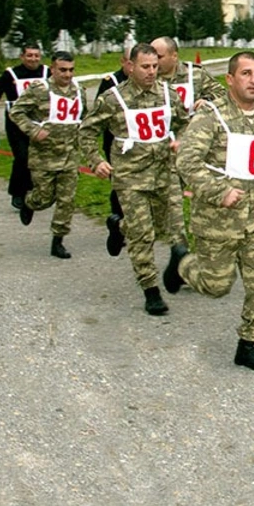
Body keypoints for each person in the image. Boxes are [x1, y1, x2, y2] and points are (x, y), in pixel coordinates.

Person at [166, 52, 254, 370]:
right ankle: (181, 264)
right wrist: (219, 191)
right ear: (229, 79)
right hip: (216, 220)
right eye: (246, 73)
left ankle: (248, 344)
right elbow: (187, 161)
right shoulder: (211, 116)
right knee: (216, 286)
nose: (253, 80)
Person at [79, 43, 189, 315]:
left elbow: (185, 123)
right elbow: (86, 131)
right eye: (145, 67)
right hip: (131, 177)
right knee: (142, 234)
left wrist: (182, 140)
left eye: (155, 66)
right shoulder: (113, 98)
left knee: (171, 228)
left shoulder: (168, 94)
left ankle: (125, 230)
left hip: (165, 173)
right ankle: (151, 290)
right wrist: (96, 161)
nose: (151, 72)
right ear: (130, 67)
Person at [8, 51, 87, 259]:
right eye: (63, 70)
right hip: (44, 156)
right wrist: (33, 130)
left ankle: (58, 240)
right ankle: (29, 203)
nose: (67, 75)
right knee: (44, 198)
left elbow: (85, 117)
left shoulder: (79, 90)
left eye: (71, 70)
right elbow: (16, 112)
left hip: (70, 155)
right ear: (52, 69)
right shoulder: (39, 90)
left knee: (66, 200)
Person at [0, 44, 49, 209]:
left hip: (40, 121)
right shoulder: (11, 74)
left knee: (39, 158)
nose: (33, 59)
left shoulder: (46, 72)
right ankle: (17, 192)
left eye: (36, 55)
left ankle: (35, 190)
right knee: (22, 157)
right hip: (16, 123)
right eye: (29, 55)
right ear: (22, 57)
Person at [96, 45, 133, 256]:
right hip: (116, 143)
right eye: (130, 63)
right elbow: (99, 115)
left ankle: (122, 225)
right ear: (123, 62)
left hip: (143, 145)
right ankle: (118, 219)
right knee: (120, 187)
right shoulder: (111, 82)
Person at [151, 36, 224, 115]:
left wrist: (207, 101)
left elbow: (221, 93)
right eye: (151, 57)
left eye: (159, 57)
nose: (154, 61)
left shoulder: (195, 73)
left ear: (174, 56)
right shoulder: (146, 77)